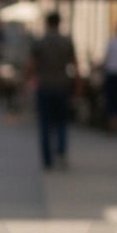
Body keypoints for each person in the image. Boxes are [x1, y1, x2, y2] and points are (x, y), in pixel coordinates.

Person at [29, 11, 77, 169]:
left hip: (44, 85)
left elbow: (31, 64)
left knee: (45, 123)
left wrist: (29, 79)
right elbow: (74, 64)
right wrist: (77, 85)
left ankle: (47, 158)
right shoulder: (66, 41)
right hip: (62, 85)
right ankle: (61, 151)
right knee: (62, 121)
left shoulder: (40, 42)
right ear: (59, 23)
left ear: (47, 23)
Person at [102, 21, 117, 132]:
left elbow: (106, 59)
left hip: (112, 75)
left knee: (112, 100)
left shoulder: (112, 42)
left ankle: (113, 126)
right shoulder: (111, 42)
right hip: (114, 74)